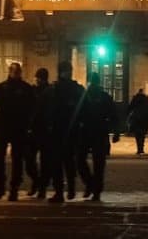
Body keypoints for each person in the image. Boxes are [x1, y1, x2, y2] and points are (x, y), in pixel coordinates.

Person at [0, 62, 35, 201]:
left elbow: (34, 109)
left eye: (17, 72)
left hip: (17, 128)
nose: (16, 74)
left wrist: (30, 127)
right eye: (14, 71)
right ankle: (1, 186)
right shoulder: (3, 88)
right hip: (4, 128)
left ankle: (13, 188)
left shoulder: (24, 89)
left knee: (16, 159)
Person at [43, 60, 85, 203]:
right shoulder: (76, 89)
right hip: (66, 129)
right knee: (66, 161)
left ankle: (62, 191)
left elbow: (44, 110)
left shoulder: (53, 89)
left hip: (58, 130)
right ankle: (67, 190)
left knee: (60, 162)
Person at [77, 72, 117, 201]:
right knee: (98, 163)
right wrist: (115, 131)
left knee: (81, 160)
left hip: (86, 131)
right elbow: (113, 115)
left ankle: (91, 184)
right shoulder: (104, 97)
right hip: (99, 132)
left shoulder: (83, 96)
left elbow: (77, 115)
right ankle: (96, 189)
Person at [26, 67, 50, 198]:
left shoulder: (49, 92)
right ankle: (37, 182)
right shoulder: (32, 91)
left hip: (43, 129)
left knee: (44, 161)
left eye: (39, 78)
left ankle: (41, 187)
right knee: (29, 160)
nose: (37, 80)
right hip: (33, 129)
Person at [127, 87, 148, 155]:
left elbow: (130, 107)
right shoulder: (146, 98)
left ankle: (138, 148)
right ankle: (142, 148)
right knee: (142, 134)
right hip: (144, 117)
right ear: (143, 92)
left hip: (136, 117)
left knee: (137, 134)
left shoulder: (135, 98)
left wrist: (127, 114)